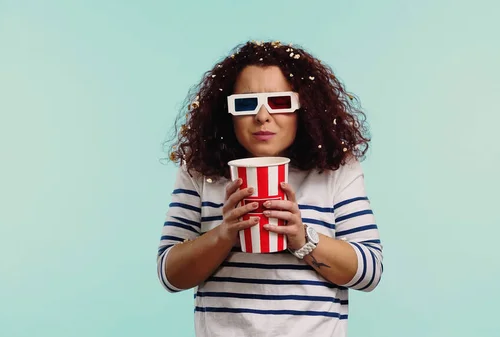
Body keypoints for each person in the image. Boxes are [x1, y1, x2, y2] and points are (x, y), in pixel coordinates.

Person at [157, 40, 383, 337]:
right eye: (246, 103)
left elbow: (370, 271)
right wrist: (224, 234)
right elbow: (169, 274)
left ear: (305, 107)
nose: (262, 116)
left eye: (279, 102)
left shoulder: (336, 170)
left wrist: (302, 238)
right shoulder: (199, 171)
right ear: (227, 113)